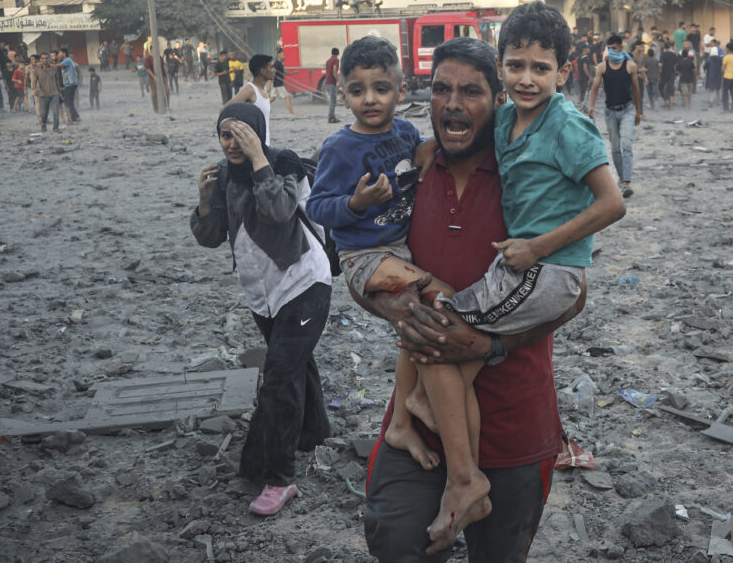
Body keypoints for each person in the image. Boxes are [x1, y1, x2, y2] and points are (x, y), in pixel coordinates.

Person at [357, 33, 602, 562]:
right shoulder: (410, 173)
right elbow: (357, 257)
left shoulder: (528, 171)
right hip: (420, 416)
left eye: (471, 92)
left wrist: (486, 346)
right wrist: (394, 304)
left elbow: (574, 292)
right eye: (441, 90)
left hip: (515, 417)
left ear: (498, 99)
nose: (452, 103)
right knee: (396, 541)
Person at [190, 103, 331, 517]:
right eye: (225, 134)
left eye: (242, 134)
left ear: (259, 132)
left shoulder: (283, 164)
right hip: (261, 295)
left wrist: (259, 161)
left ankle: (278, 477)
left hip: (305, 284)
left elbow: (280, 211)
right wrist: (203, 200)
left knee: (278, 379)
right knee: (296, 366)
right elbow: (211, 236)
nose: (233, 143)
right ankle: (315, 432)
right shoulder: (222, 176)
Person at [587, 34, 641, 198]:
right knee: (616, 149)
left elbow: (636, 90)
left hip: (627, 110)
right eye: (608, 48)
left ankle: (626, 182)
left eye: (613, 48)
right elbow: (595, 88)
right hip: (610, 112)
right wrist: (591, 106)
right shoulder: (602, 67)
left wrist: (638, 111)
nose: (610, 51)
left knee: (626, 144)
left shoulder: (630, 66)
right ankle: (621, 178)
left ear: (621, 47)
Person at [222, 54, 275, 144]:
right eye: (271, 67)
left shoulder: (263, 89)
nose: (274, 70)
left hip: (265, 144)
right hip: (253, 147)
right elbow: (225, 110)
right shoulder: (250, 90)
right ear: (263, 71)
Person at [32, 52, 60, 132]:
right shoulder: (37, 70)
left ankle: (56, 127)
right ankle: (43, 124)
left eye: (46, 58)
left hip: (54, 93)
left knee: (55, 111)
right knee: (44, 113)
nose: (45, 60)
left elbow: (57, 80)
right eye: (43, 58)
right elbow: (34, 81)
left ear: (49, 59)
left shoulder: (54, 69)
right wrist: (35, 90)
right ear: (40, 59)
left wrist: (59, 92)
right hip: (43, 94)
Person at [57, 48, 80, 124]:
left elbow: (58, 65)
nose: (58, 55)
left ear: (64, 53)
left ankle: (73, 119)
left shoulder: (67, 60)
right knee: (70, 102)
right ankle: (76, 117)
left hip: (70, 84)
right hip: (70, 84)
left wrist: (47, 65)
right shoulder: (68, 60)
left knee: (68, 103)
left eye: (59, 53)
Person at [720, 43, 733, 112]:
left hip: (726, 77)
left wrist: (723, 74)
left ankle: (726, 108)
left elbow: (723, 68)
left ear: (728, 49)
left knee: (725, 93)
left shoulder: (726, 57)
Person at [274, 48, 294, 116]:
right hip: (278, 84)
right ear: (279, 55)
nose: (284, 56)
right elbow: (272, 73)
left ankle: (260, 107)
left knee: (272, 98)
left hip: (277, 84)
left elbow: (285, 73)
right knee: (287, 97)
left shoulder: (280, 64)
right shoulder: (276, 64)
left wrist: (294, 72)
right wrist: (269, 85)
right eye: (283, 54)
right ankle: (292, 113)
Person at [659, 40, 678, 110]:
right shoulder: (673, 54)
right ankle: (671, 106)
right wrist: (676, 73)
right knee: (671, 89)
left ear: (664, 46)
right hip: (671, 73)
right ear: (670, 46)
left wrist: (660, 71)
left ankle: (666, 100)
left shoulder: (663, 54)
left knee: (660, 87)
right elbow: (676, 64)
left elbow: (661, 64)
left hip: (664, 73)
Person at [702, 41, 723, 106]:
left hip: (710, 76)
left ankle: (711, 102)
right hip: (718, 76)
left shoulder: (709, 59)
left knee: (711, 90)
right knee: (718, 89)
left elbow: (704, 67)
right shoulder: (720, 59)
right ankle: (718, 102)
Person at [324, 47, 340, 123]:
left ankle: (331, 117)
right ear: (338, 53)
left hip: (327, 82)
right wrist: (338, 80)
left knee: (332, 100)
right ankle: (331, 118)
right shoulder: (336, 60)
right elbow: (334, 71)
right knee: (333, 101)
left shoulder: (328, 60)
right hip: (331, 82)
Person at [643, 45, 659, 110]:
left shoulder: (646, 61)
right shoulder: (656, 60)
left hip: (648, 78)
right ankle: (656, 103)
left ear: (648, 54)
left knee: (649, 92)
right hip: (655, 77)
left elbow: (644, 69)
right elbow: (658, 69)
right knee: (655, 91)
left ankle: (652, 105)